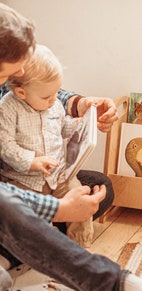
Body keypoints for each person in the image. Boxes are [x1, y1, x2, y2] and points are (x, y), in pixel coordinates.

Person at [0, 3, 142, 291]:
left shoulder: (22, 84)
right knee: (19, 206)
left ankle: (25, 245)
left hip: (36, 181)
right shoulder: (10, 103)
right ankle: (41, 248)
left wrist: (82, 108)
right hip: (14, 180)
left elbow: (48, 95)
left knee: (98, 188)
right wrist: (60, 209)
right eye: (12, 72)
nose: (21, 73)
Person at [0, 44, 94, 248]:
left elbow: (61, 127)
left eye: (55, 94)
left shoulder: (54, 104)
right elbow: (5, 146)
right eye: (47, 97)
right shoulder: (7, 108)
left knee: (83, 195)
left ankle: (78, 245)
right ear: (21, 93)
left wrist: (77, 125)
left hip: (57, 175)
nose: (53, 101)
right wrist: (32, 162)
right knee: (26, 215)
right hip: (24, 179)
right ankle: (39, 244)